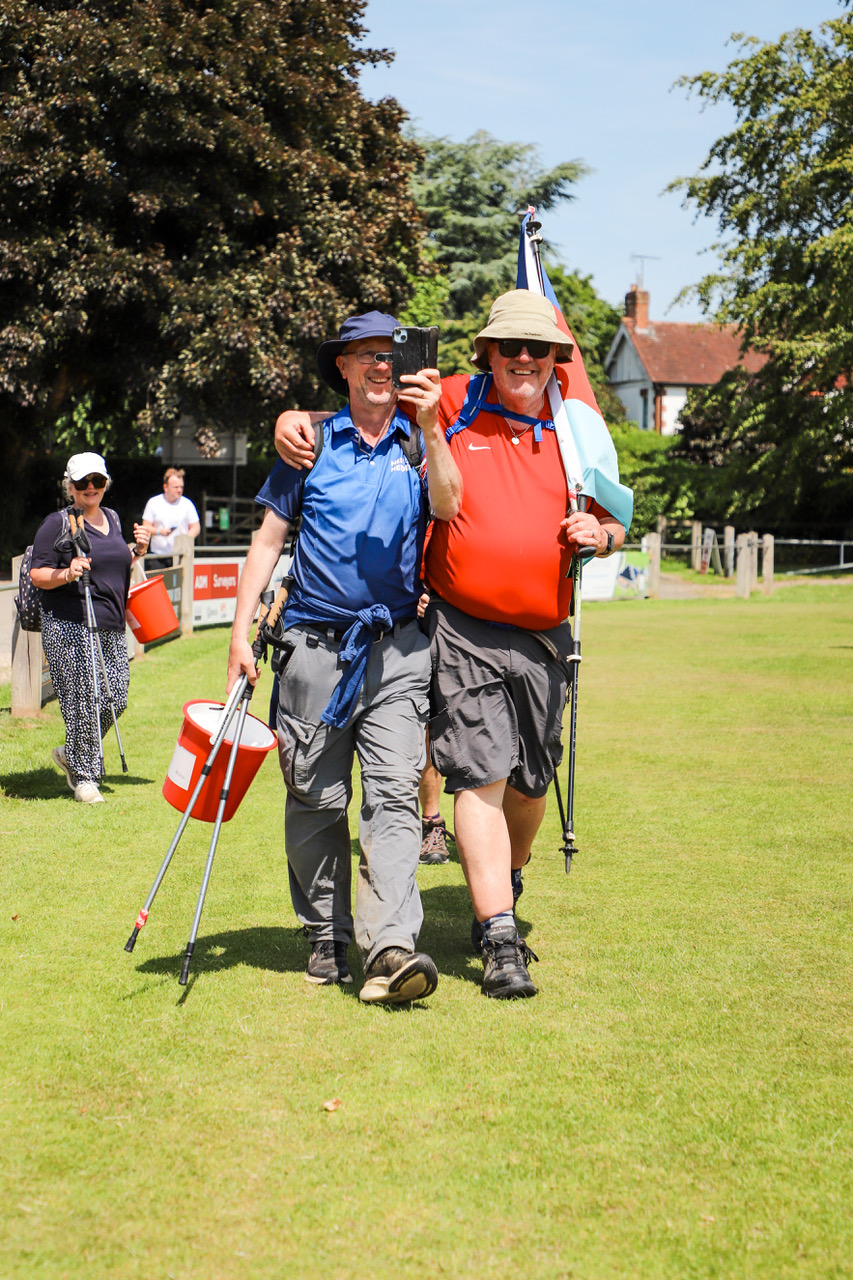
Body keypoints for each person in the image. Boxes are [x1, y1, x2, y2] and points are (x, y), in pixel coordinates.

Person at [275, 290, 632, 1000]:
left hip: (543, 634)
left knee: (530, 782)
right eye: (509, 347)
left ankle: (507, 874)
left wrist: (604, 535)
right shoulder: (459, 397)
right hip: (460, 626)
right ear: (488, 354)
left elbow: (615, 519)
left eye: (538, 348)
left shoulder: (579, 426)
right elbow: (367, 405)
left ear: (557, 358)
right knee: (478, 774)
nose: (523, 359)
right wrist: (292, 418)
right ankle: (499, 935)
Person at [227, 311, 460, 1004]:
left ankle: (389, 944)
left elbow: (448, 507)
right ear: (344, 369)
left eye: (392, 354)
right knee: (315, 797)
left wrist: (434, 427)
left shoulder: (419, 446)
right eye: (366, 356)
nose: (382, 366)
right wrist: (241, 634)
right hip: (311, 651)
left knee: (394, 794)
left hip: (396, 653)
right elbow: (268, 542)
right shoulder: (309, 444)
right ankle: (326, 931)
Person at [30, 452, 150, 803]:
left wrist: (138, 550)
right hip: (70, 624)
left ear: (105, 483)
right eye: (82, 483)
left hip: (110, 624)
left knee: (116, 697)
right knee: (83, 698)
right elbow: (39, 573)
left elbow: (116, 563)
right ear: (70, 487)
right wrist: (67, 573)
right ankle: (84, 777)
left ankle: (72, 753)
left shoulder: (111, 517)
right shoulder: (58, 522)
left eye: (97, 481)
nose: (91, 488)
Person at [142, 468, 200, 569]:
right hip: (158, 556)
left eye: (181, 487)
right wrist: (160, 531)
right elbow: (145, 527)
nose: (179, 490)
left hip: (181, 556)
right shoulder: (154, 502)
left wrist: (185, 540)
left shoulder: (187, 504)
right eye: (176, 487)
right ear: (166, 487)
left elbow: (196, 527)